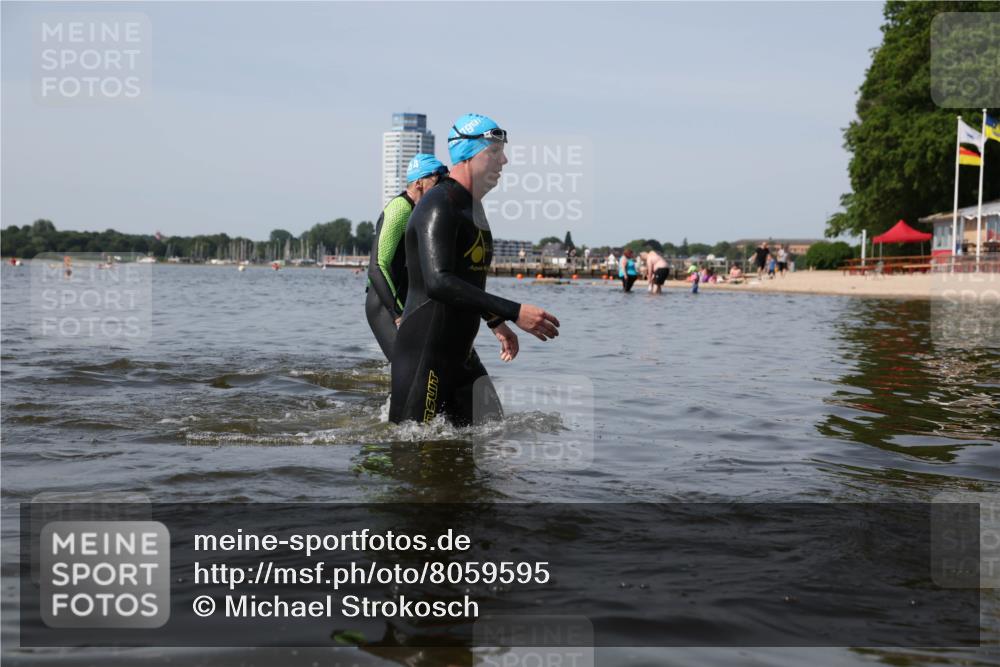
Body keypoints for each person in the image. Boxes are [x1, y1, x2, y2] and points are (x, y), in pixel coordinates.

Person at [389, 114, 559, 425]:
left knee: (495, 435)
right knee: (410, 448)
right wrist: (514, 311)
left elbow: (467, 278)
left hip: (461, 352)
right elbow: (439, 282)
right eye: (494, 152)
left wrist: (495, 321)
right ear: (467, 155)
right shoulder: (439, 204)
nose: (504, 160)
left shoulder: (472, 208)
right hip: (427, 352)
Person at [365, 154, 448, 360]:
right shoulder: (400, 208)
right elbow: (377, 266)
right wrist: (397, 315)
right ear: (419, 183)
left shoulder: (421, 211)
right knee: (408, 366)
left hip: (408, 302)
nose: (442, 186)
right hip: (384, 304)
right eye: (438, 180)